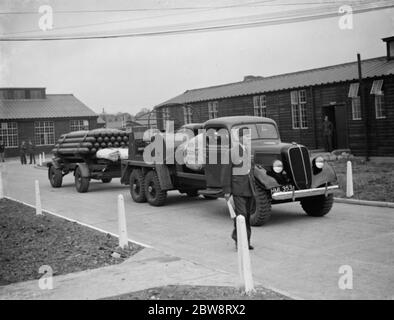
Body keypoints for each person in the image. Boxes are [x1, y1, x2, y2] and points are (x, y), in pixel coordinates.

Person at [229, 127, 255, 250]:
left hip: (249, 187)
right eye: (246, 137)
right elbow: (226, 172)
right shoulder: (233, 151)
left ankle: (246, 241)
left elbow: (251, 169)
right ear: (240, 138)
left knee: (248, 215)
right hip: (238, 188)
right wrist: (226, 191)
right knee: (241, 215)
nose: (249, 139)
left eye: (249, 137)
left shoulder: (249, 150)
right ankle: (239, 241)